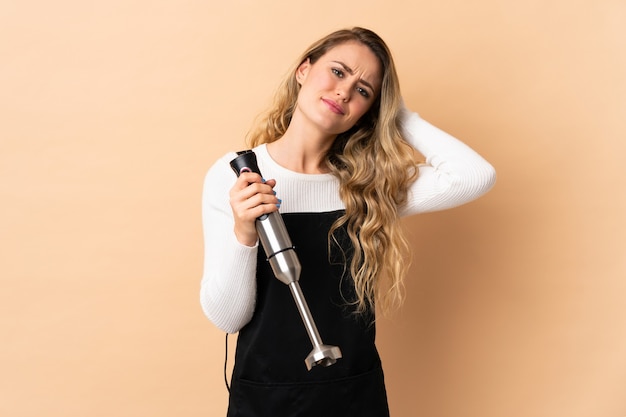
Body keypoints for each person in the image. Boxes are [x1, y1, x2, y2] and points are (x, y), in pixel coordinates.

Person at [200, 27, 496, 417]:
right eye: (338, 72)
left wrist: (397, 113)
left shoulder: (367, 186)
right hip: (265, 395)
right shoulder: (237, 176)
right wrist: (243, 232)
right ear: (303, 70)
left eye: (363, 91)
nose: (344, 92)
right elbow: (228, 317)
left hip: (353, 395)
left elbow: (473, 175)